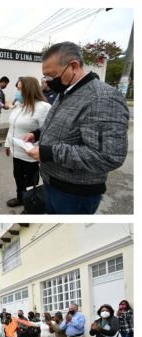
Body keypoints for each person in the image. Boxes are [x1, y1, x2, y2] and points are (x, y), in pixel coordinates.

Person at [22, 41, 129, 214]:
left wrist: (48, 152)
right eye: (45, 77)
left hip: (74, 194)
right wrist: (36, 134)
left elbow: (108, 156)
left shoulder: (102, 98)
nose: (49, 81)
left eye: (51, 75)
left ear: (73, 66)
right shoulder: (66, 92)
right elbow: (62, 125)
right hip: (52, 182)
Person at [3, 77, 51, 208]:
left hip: (31, 155)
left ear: (28, 89)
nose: (17, 92)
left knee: (30, 182)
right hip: (16, 152)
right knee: (18, 177)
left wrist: (44, 153)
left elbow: (49, 133)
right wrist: (8, 144)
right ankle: (20, 198)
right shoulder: (19, 105)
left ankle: (30, 206)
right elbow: (12, 127)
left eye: (19, 89)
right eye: (17, 88)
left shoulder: (43, 107)